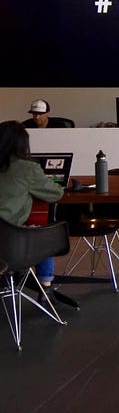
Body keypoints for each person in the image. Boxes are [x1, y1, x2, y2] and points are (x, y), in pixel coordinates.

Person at [0, 120, 65, 299]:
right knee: (44, 234)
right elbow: (56, 194)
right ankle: (46, 288)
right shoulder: (27, 168)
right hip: (9, 247)